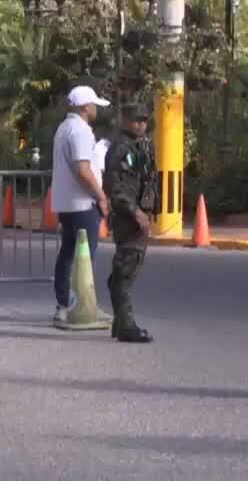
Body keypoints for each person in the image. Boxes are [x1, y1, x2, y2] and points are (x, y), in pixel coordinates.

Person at [50, 85, 112, 324]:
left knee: (67, 254)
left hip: (66, 203)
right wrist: (101, 197)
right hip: (83, 204)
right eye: (94, 104)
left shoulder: (64, 128)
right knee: (85, 258)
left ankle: (64, 305)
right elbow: (83, 171)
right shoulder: (80, 131)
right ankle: (83, 307)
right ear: (86, 107)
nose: (96, 108)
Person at [103, 103, 157, 343]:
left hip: (139, 214)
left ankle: (120, 322)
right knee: (125, 271)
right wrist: (136, 213)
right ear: (124, 120)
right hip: (128, 217)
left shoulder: (141, 144)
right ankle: (126, 325)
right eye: (136, 120)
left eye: (144, 120)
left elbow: (147, 179)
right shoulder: (119, 148)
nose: (141, 124)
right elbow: (116, 187)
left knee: (129, 268)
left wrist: (150, 210)